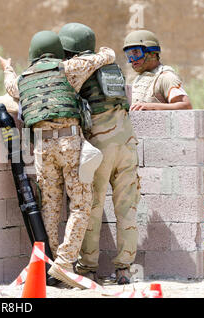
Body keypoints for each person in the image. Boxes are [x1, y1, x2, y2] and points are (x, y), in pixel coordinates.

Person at [0, 30, 115, 288]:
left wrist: (8, 67)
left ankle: (48, 265)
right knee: (81, 204)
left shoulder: (24, 79)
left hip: (41, 147)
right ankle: (64, 263)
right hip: (69, 142)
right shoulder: (68, 68)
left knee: (49, 208)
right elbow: (101, 59)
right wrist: (107, 52)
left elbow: (10, 86)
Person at [58, 23, 141, 285]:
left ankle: (88, 268)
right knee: (127, 209)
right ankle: (125, 269)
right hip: (126, 143)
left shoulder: (80, 69)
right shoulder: (112, 67)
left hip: (99, 145)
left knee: (92, 206)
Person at [123, 29, 192, 111]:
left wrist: (151, 107)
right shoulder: (138, 79)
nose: (132, 59)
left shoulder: (166, 77)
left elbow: (186, 106)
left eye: (136, 53)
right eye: (129, 54)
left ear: (152, 53)